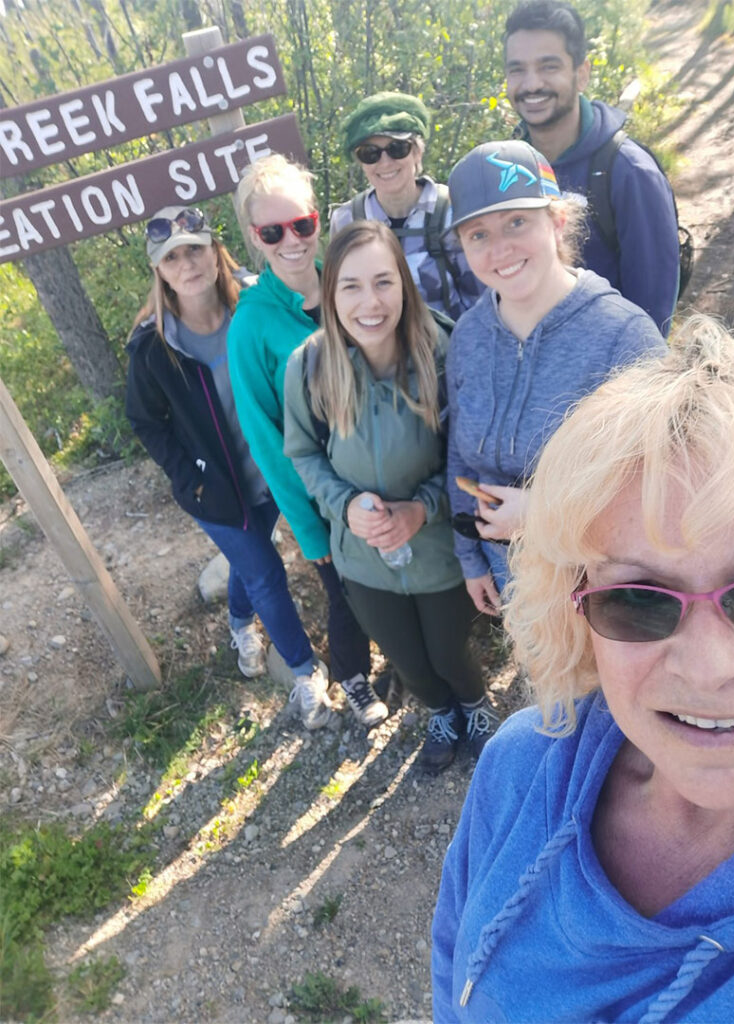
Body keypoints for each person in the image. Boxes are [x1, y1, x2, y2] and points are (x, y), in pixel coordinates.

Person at [432, 315, 734, 1023]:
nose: (711, 666)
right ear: (576, 615)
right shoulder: (519, 766)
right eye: (637, 601)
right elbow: (450, 957)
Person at [283, 220, 494, 772]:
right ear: (330, 294)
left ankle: (474, 706)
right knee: (407, 660)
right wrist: (345, 505)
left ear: (404, 282)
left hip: (441, 552)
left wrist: (422, 506)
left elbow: (471, 459)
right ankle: (440, 711)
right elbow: (303, 453)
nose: (369, 302)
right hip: (363, 559)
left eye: (383, 282)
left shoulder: (443, 350)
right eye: (350, 285)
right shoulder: (308, 365)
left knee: (450, 650)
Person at [125, 205, 332, 728]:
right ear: (160, 272)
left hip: (270, 469)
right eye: (172, 257)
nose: (187, 264)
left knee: (250, 560)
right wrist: (187, 474)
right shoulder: (154, 345)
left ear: (215, 252)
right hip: (214, 488)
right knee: (265, 570)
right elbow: (146, 421)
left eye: (194, 248)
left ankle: (239, 621)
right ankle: (306, 675)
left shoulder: (258, 303)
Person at [444, 139, 665, 616]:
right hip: (511, 581)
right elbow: (458, 455)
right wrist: (470, 559)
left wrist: (543, 512)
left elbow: (661, 483)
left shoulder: (623, 335)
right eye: (477, 234)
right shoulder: (467, 336)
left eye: (516, 222)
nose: (499, 249)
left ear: (558, 220)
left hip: (605, 593)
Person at [227, 155, 387, 731]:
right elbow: (267, 438)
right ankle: (353, 674)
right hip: (325, 493)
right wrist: (308, 524)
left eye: (302, 224)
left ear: (318, 221)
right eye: (273, 231)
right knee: (348, 594)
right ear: (254, 237)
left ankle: (408, 661)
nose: (291, 241)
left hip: (388, 466)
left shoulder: (348, 279)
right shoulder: (250, 325)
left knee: (393, 580)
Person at [504, 0, 680, 335]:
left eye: (548, 66)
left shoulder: (628, 171)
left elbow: (653, 314)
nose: (531, 84)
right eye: (517, 70)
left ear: (581, 73)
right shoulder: (510, 167)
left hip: (611, 379)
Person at [329, 91, 484, 320]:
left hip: (451, 349)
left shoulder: (454, 210)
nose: (385, 162)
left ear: (417, 151)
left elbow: (483, 300)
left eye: (397, 148)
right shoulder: (347, 221)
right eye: (370, 153)